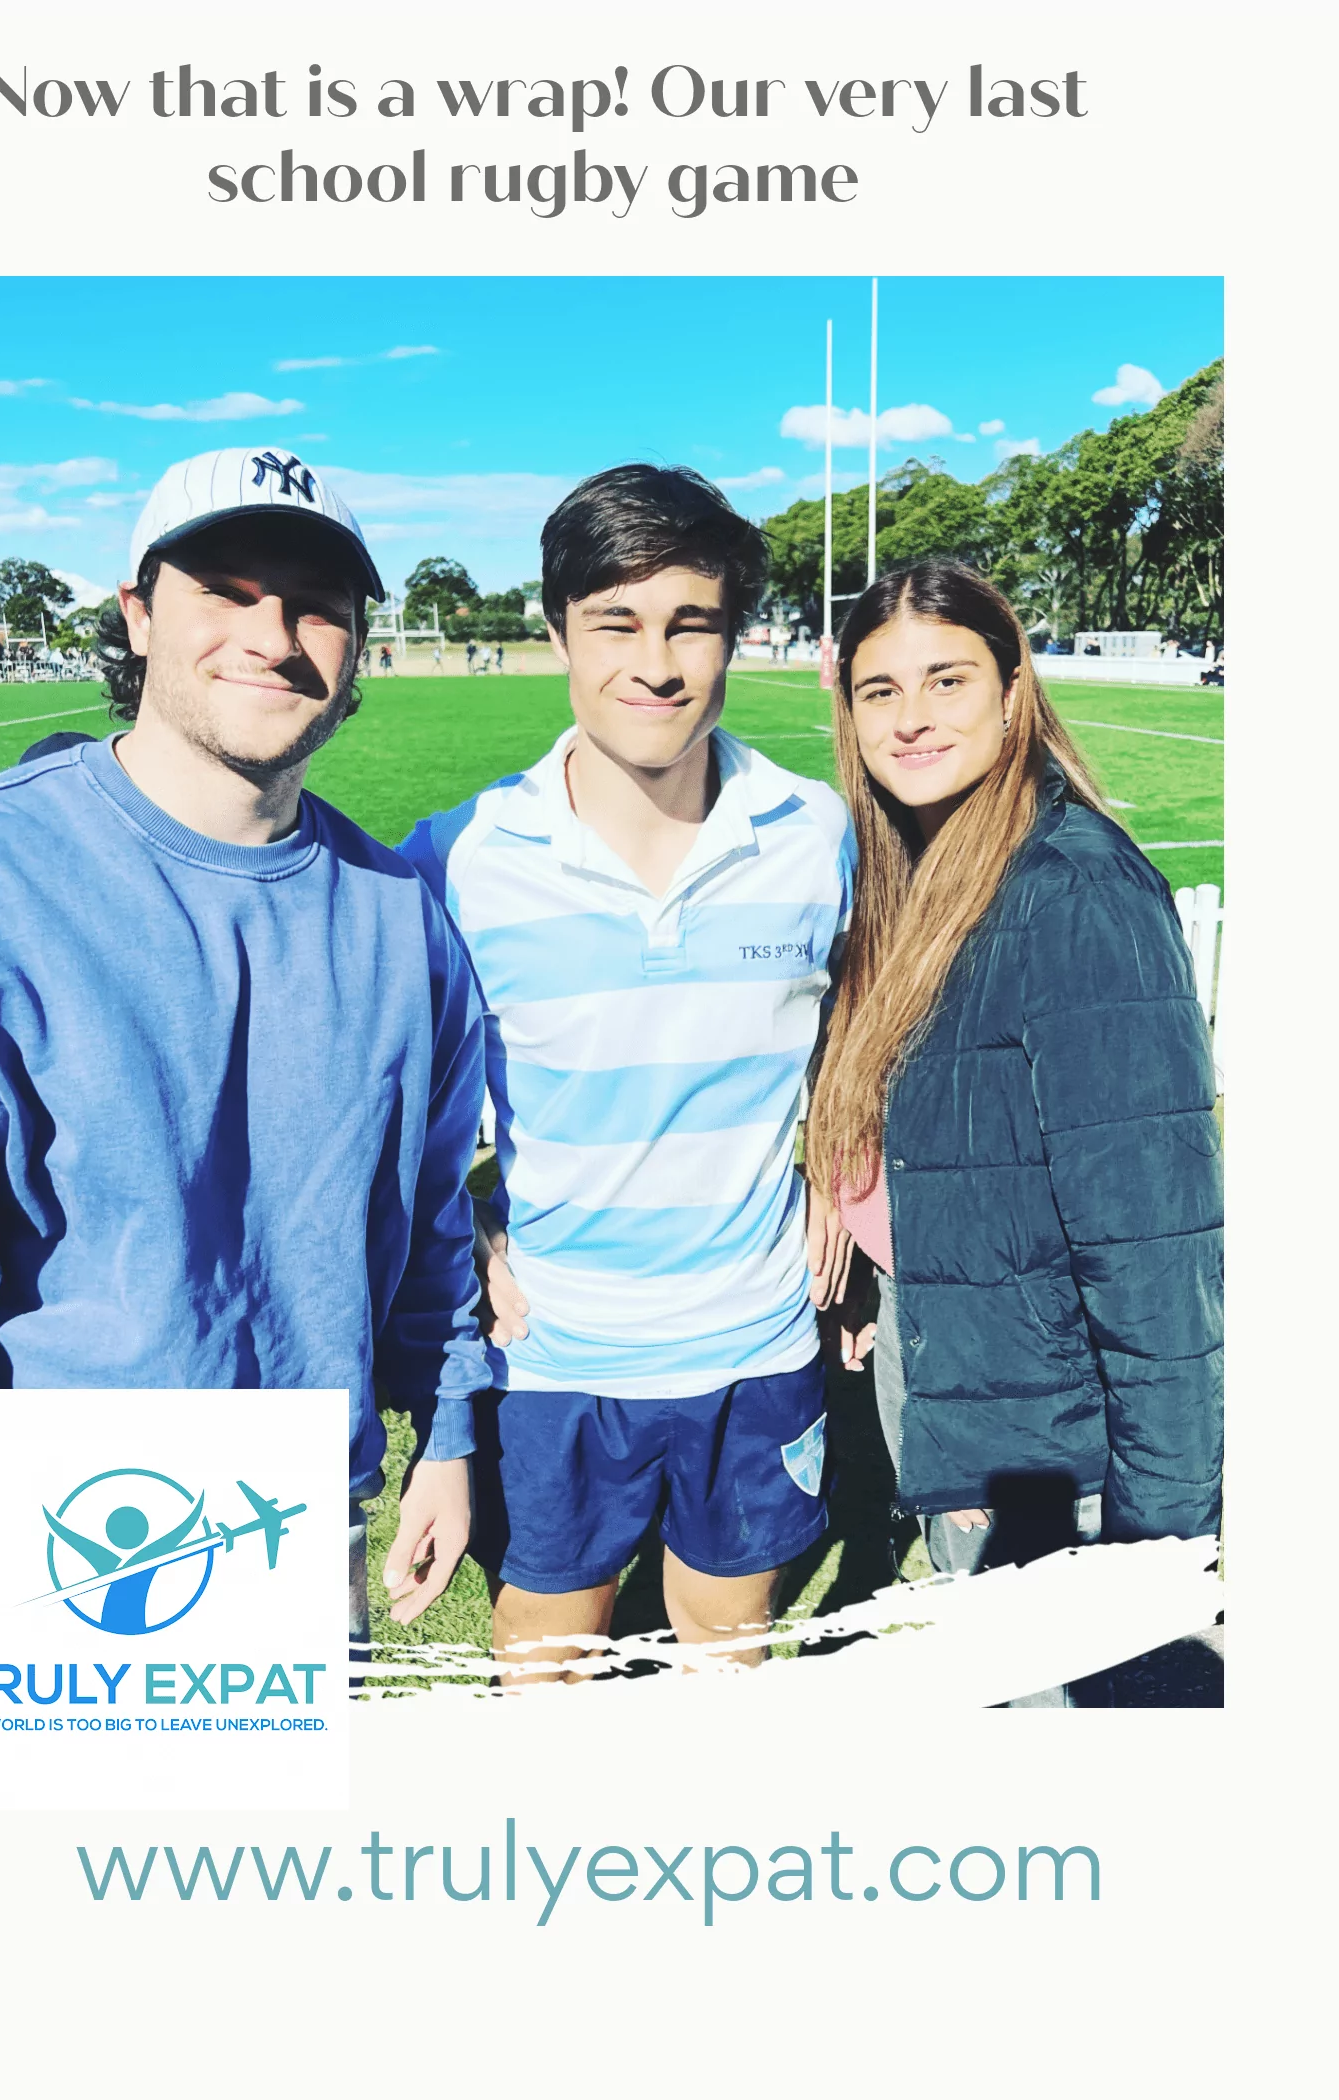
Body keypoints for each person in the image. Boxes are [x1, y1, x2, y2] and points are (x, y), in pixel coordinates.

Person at [0, 447, 490, 1653]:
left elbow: (428, 1218)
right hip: (63, 1512)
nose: (273, 635)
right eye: (224, 588)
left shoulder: (398, 914)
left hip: (307, 1505)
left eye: (316, 603)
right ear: (136, 612)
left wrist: (450, 1432)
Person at [400, 465, 861, 1683]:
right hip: (558, 1352)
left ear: (730, 637)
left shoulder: (819, 834)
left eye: (689, 623)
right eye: (615, 622)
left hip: (756, 1340)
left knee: (727, 1647)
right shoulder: (460, 857)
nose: (654, 663)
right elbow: (401, 1117)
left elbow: (884, 1028)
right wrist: (473, 1234)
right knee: (546, 1656)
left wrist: (847, 1176)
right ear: (555, 633)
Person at [804, 560, 1222, 1632]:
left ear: (1011, 688)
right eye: (880, 691)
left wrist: (1167, 1519)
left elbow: (1154, 1240)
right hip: (951, 1367)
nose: (911, 720)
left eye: (947, 680)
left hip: (1049, 1445)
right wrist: (853, 1209)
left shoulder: (1072, 889)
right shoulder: (915, 864)